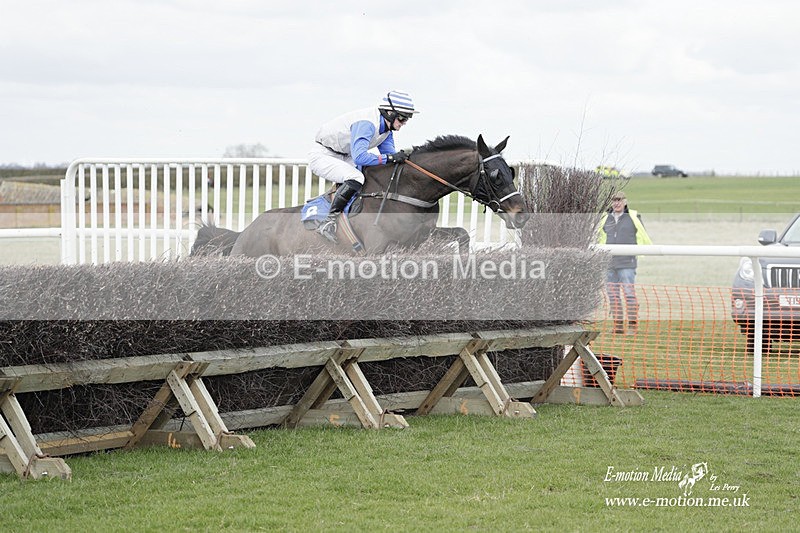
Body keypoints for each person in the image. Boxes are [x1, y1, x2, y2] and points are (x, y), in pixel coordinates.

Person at [308, 90, 419, 243]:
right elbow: (360, 157)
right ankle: (328, 222)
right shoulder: (367, 123)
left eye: (407, 119)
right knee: (356, 177)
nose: (404, 123)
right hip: (323, 155)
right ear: (389, 113)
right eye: (402, 118)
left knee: (370, 174)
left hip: (344, 155)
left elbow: (389, 156)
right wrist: (391, 158)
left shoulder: (386, 130)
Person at [598, 191, 653, 334]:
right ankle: (618, 326)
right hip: (609, 263)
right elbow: (599, 238)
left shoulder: (633, 217)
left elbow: (642, 235)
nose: (616, 203)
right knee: (613, 295)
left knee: (629, 293)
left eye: (619, 200)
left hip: (627, 262)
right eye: (614, 200)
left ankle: (632, 327)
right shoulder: (605, 218)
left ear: (625, 201)